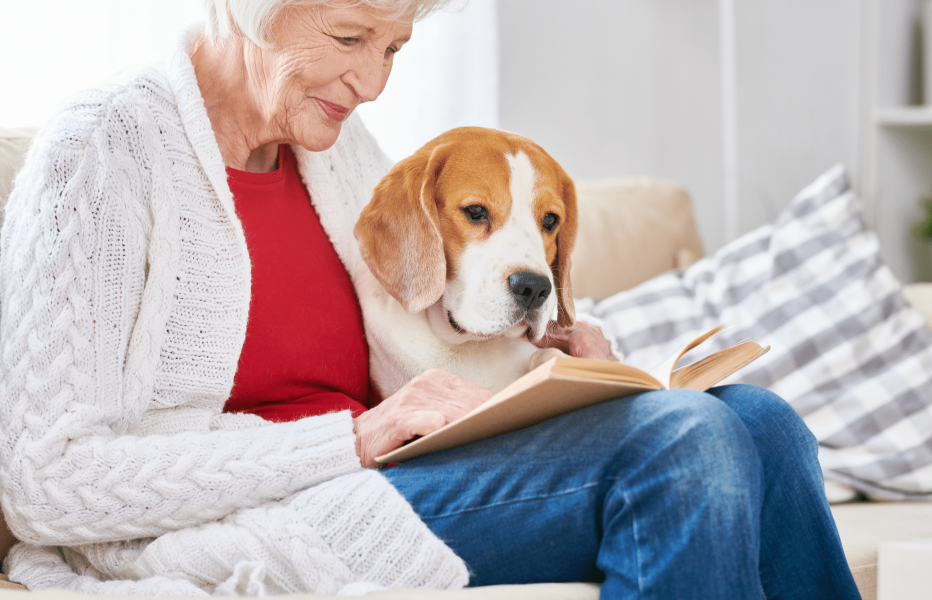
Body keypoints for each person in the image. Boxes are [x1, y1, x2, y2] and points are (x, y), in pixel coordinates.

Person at [0, 0, 863, 597]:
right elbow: (43, 483)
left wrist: (553, 366)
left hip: (375, 474)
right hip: (244, 513)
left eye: (393, 49)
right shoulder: (102, 152)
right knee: (683, 444)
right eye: (348, 38)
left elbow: (430, 346)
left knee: (761, 423)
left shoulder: (333, 147)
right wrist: (349, 441)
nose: (371, 82)